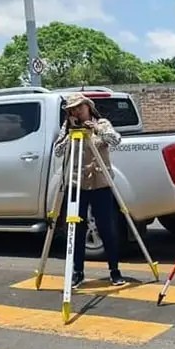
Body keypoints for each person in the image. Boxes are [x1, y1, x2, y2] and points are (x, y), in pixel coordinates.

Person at [53, 92, 125, 288]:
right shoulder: (67, 128)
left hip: (101, 184)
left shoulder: (101, 123)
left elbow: (116, 140)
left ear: (88, 107)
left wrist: (96, 130)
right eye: (72, 109)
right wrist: (70, 133)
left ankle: (114, 270)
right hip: (77, 185)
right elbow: (58, 151)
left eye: (79, 107)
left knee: (107, 228)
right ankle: (77, 272)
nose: (77, 111)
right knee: (76, 229)